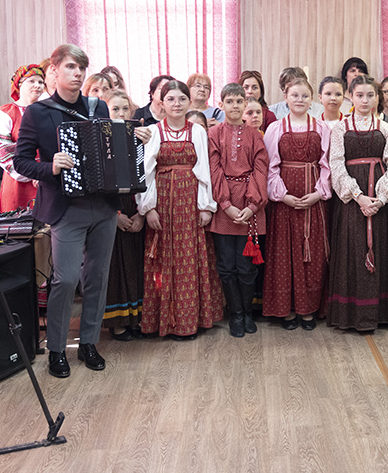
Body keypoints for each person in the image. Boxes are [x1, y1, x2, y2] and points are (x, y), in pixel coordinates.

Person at [14, 43, 117, 377]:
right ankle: (57, 349)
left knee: (97, 278)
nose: (77, 73)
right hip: (65, 208)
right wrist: (51, 167)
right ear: (54, 71)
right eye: (71, 67)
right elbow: (21, 162)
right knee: (66, 278)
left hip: (103, 205)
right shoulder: (37, 112)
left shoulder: (98, 107)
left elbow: (109, 151)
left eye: (81, 68)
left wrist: (134, 142)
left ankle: (88, 342)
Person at [138, 80, 224, 338]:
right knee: (163, 260)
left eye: (182, 99)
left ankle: (190, 321)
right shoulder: (153, 132)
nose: (176, 104)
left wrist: (205, 206)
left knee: (189, 259)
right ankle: (164, 321)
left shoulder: (197, 131)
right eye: (171, 99)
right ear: (161, 103)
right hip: (162, 204)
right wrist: (148, 208)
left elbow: (204, 171)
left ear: (189, 102)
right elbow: (146, 174)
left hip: (189, 203)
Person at [325, 75, 388, 330]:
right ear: (351, 97)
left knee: (380, 249)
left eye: (370, 95)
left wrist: (381, 199)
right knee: (353, 249)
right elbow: (336, 164)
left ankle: (381, 313)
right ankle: (351, 315)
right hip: (352, 201)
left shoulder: (386, 129)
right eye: (359, 95)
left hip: (379, 200)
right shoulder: (340, 129)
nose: (365, 100)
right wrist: (358, 196)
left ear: (377, 98)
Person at [263, 78, 332, 330]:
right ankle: (287, 309)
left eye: (304, 95)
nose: (300, 100)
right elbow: (270, 167)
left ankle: (308, 309)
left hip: (314, 202)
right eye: (295, 95)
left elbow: (327, 165)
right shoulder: (275, 128)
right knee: (284, 254)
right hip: (284, 203)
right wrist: (283, 196)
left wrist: (318, 193)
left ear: (311, 99)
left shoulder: (322, 128)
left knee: (312, 255)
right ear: (286, 97)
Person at [207, 83, 269, 337]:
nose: (235, 106)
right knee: (225, 265)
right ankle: (234, 314)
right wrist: (225, 204)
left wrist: (253, 205)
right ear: (221, 104)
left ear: (245, 104)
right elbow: (214, 169)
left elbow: (261, 168)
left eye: (239, 101)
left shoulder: (255, 135)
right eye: (230, 101)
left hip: (251, 203)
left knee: (246, 266)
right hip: (224, 206)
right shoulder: (214, 134)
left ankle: (247, 313)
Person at [101, 90, 146, 342]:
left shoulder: (139, 139)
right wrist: (114, 215)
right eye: (115, 109)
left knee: (136, 264)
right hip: (110, 211)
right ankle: (117, 321)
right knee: (115, 267)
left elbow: (149, 176)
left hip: (135, 207)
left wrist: (141, 214)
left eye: (125, 109)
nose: (120, 114)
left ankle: (137, 318)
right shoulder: (99, 140)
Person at [0, 63, 46, 212]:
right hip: (18, 181)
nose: (37, 85)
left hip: (46, 180)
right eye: (31, 81)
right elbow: (3, 153)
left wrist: (45, 173)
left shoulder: (48, 111)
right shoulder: (4, 113)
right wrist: (33, 173)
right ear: (19, 84)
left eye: (41, 82)